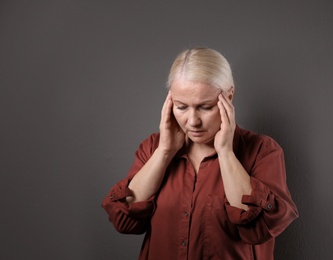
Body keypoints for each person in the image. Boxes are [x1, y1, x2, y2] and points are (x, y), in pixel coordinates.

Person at [102, 47, 298, 260]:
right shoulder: (152, 148)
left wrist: (225, 152)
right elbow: (123, 219)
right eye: (181, 107)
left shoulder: (262, 151)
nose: (192, 121)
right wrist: (165, 152)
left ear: (229, 96)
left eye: (205, 107)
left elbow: (260, 226)